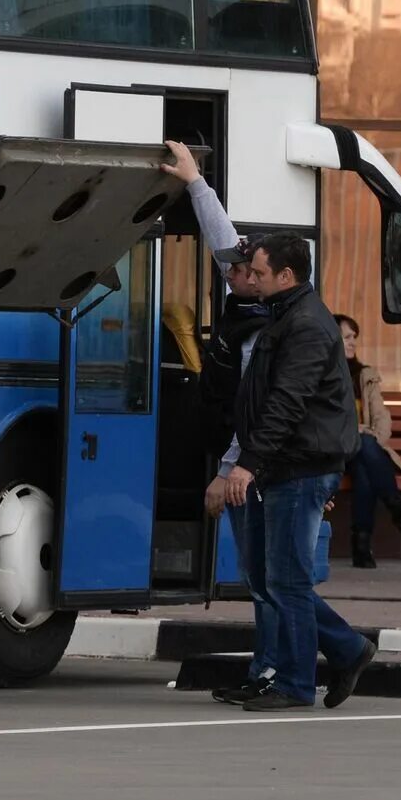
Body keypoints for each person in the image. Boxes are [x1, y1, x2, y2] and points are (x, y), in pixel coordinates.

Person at [221, 233, 377, 712]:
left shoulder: (306, 324)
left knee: (285, 580)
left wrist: (247, 463)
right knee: (272, 578)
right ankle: (348, 649)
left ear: (285, 276)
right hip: (287, 465)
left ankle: (296, 682)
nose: (253, 280)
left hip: (299, 467)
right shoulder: (287, 315)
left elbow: (288, 403)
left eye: (261, 274)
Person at [159, 141, 275, 704]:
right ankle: (297, 662)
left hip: (255, 464)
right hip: (248, 456)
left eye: (246, 269)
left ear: (268, 278)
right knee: (268, 580)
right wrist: (195, 183)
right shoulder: (250, 303)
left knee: (269, 580)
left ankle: (301, 662)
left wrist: (228, 469)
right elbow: (220, 239)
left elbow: (254, 410)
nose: (231, 271)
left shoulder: (263, 332)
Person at [333, 313, 401, 568]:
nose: (352, 343)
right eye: (346, 337)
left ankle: (362, 547)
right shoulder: (321, 374)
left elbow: (381, 416)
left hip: (363, 451)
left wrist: (373, 435)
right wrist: (357, 431)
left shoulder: (365, 375)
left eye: (354, 338)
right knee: (364, 449)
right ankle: (395, 505)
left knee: (364, 471)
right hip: (333, 449)